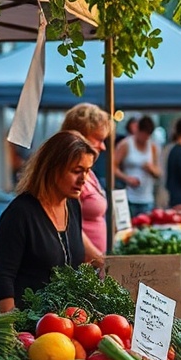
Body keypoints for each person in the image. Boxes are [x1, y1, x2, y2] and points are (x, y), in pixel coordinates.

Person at [0, 131, 97, 312]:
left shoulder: (72, 206)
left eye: (87, 171)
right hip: (28, 324)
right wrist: (13, 331)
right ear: (52, 168)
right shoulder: (19, 213)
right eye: (76, 171)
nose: (83, 180)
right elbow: (3, 279)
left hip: (66, 324)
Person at [61, 103, 111, 261]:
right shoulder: (68, 175)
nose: (103, 147)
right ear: (79, 137)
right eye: (98, 139)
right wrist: (98, 258)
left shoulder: (90, 173)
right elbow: (69, 224)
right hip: (82, 265)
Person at [114, 115, 160, 216]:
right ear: (137, 130)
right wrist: (126, 178)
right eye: (143, 135)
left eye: (148, 136)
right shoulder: (125, 144)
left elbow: (158, 172)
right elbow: (112, 167)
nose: (145, 139)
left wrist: (151, 169)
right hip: (129, 197)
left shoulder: (152, 147)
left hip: (147, 198)